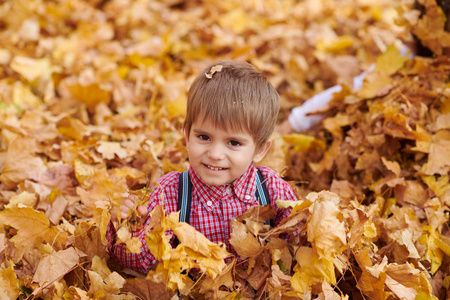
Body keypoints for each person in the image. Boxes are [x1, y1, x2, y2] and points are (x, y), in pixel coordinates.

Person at [106, 60, 298, 274]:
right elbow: (137, 264)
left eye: (233, 143)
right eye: (204, 137)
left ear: (260, 149)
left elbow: (295, 249)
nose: (215, 154)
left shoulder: (271, 190)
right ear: (187, 135)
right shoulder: (170, 194)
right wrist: (133, 228)